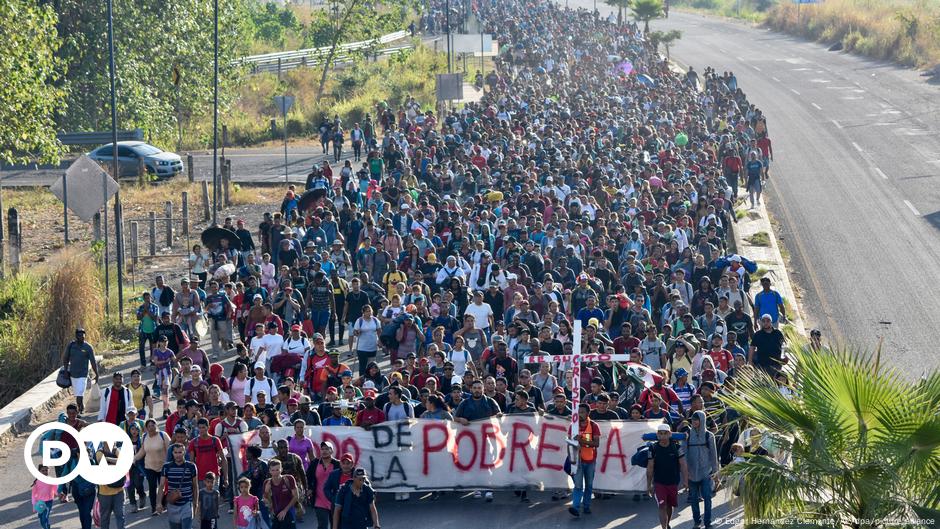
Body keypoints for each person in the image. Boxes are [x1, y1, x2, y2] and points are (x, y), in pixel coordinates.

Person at [647, 423, 689, 529]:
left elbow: (683, 464)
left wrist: (686, 480)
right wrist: (649, 485)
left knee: (670, 506)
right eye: (660, 434)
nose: (663, 436)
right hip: (659, 482)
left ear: (670, 434)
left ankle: (667, 523)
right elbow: (650, 467)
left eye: (665, 433)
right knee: (662, 506)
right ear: (657, 435)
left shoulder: (676, 447)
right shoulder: (653, 448)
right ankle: (664, 527)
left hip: (673, 482)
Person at [568, 403, 600, 518]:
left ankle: (586, 506)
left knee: (589, 485)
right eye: (578, 412)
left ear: (587, 413)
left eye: (582, 412)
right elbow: (569, 443)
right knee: (578, 485)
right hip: (577, 461)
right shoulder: (573, 426)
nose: (579, 414)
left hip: (590, 460)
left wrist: (581, 441)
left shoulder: (594, 425)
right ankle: (575, 508)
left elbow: (596, 444)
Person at [159, 443, 200, 528]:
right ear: (172, 453)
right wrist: (158, 503)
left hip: (186, 505)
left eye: (180, 452)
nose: (178, 455)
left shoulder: (191, 466)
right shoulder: (166, 467)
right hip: (172, 505)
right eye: (176, 452)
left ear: (184, 452)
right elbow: (161, 486)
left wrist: (195, 504)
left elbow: (195, 487)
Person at [61, 327, 99, 414]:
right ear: (76, 336)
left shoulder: (88, 347)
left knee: (80, 392)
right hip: (73, 374)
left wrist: (97, 374)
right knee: (77, 393)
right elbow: (65, 359)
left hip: (83, 374)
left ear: (85, 335)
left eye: (82, 335)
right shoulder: (71, 346)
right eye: (79, 335)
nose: (81, 336)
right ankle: (81, 406)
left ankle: (79, 410)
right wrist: (66, 371)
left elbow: (93, 362)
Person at [264, 459, 298, 529]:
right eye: (273, 470)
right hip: (275, 513)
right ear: (269, 471)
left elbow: (296, 496)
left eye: (277, 470)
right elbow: (264, 499)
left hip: (289, 511)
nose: (275, 472)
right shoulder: (267, 482)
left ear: (281, 469)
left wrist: (285, 511)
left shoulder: (289, 479)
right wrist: (266, 491)